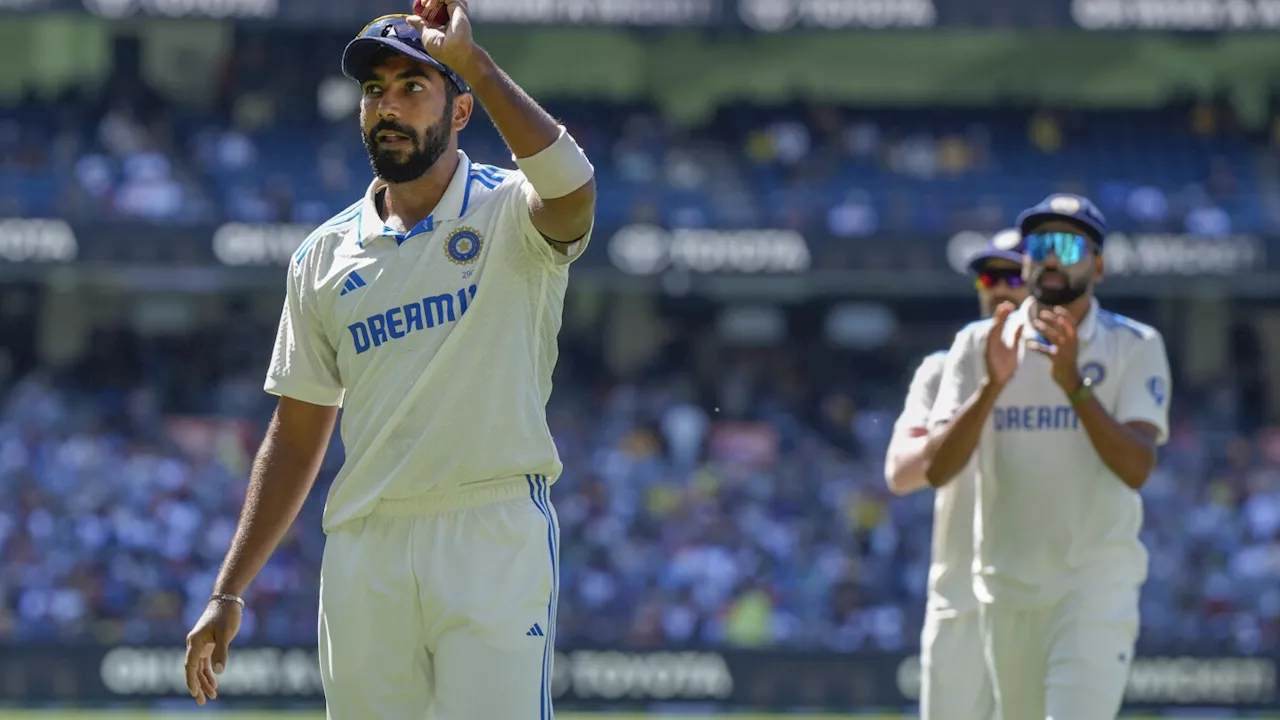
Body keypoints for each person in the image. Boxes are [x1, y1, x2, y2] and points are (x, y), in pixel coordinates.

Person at [182, 2, 596, 717]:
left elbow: (575, 187)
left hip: (490, 532)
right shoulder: (322, 255)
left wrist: (476, 63)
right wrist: (228, 587)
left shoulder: (511, 212)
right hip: (364, 545)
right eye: (375, 91)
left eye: (413, 87)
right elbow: (298, 432)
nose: (389, 107)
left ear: (460, 111)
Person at [925, 194, 1171, 720]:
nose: (1051, 259)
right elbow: (938, 470)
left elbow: (1137, 468)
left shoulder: (1134, 345)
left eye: (1067, 244)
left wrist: (1074, 388)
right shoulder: (979, 344)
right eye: (1040, 246)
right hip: (1005, 590)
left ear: (1098, 265)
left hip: (1093, 587)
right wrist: (992, 386)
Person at [884, 228, 1028, 720]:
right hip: (960, 600)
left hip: (1041, 599)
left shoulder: (1064, 372)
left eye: (1015, 275)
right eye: (990, 276)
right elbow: (901, 474)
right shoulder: (939, 369)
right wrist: (982, 393)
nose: (1001, 288)